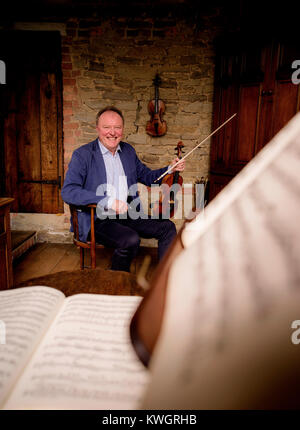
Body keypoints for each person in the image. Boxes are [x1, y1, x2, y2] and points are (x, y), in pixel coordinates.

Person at [61, 106, 185, 272]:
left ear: (122, 129)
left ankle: (164, 279)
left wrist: (170, 168)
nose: (112, 132)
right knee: (130, 239)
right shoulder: (82, 155)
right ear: (97, 128)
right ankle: (117, 281)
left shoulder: (128, 151)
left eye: (117, 127)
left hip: (128, 212)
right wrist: (108, 201)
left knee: (167, 228)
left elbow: (148, 177)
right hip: (97, 218)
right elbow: (68, 191)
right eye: (107, 127)